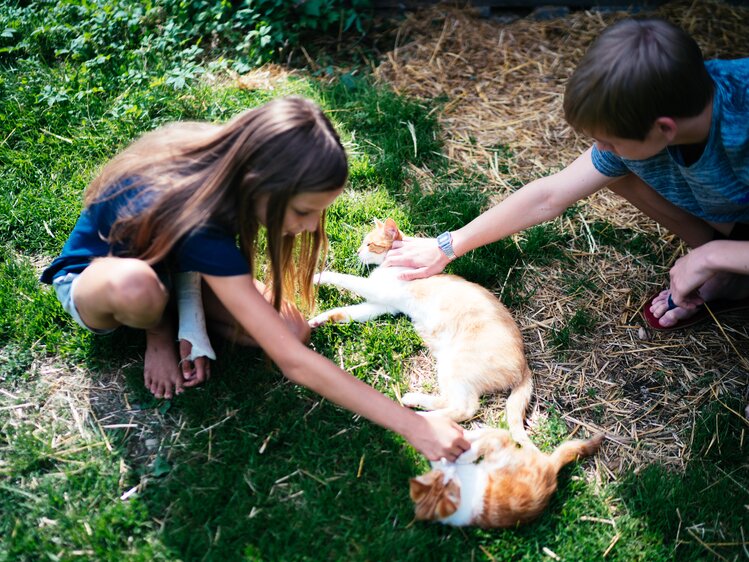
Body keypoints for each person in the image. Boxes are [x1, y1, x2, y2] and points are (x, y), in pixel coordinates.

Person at [40, 96, 469, 461]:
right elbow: (291, 362)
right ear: (259, 184)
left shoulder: (231, 173)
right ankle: (155, 322)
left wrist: (194, 327)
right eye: (303, 211)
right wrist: (413, 426)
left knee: (292, 327)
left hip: (175, 269)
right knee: (136, 286)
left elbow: (188, 258)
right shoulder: (191, 203)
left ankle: (167, 311)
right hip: (99, 280)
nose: (311, 224)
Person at [384, 17, 749, 331]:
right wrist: (448, 246)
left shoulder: (740, 130)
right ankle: (731, 273)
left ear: (664, 128)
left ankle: (722, 261)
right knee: (617, 173)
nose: (601, 149)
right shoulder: (667, 106)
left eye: (609, 141)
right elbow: (549, 196)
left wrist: (711, 256)